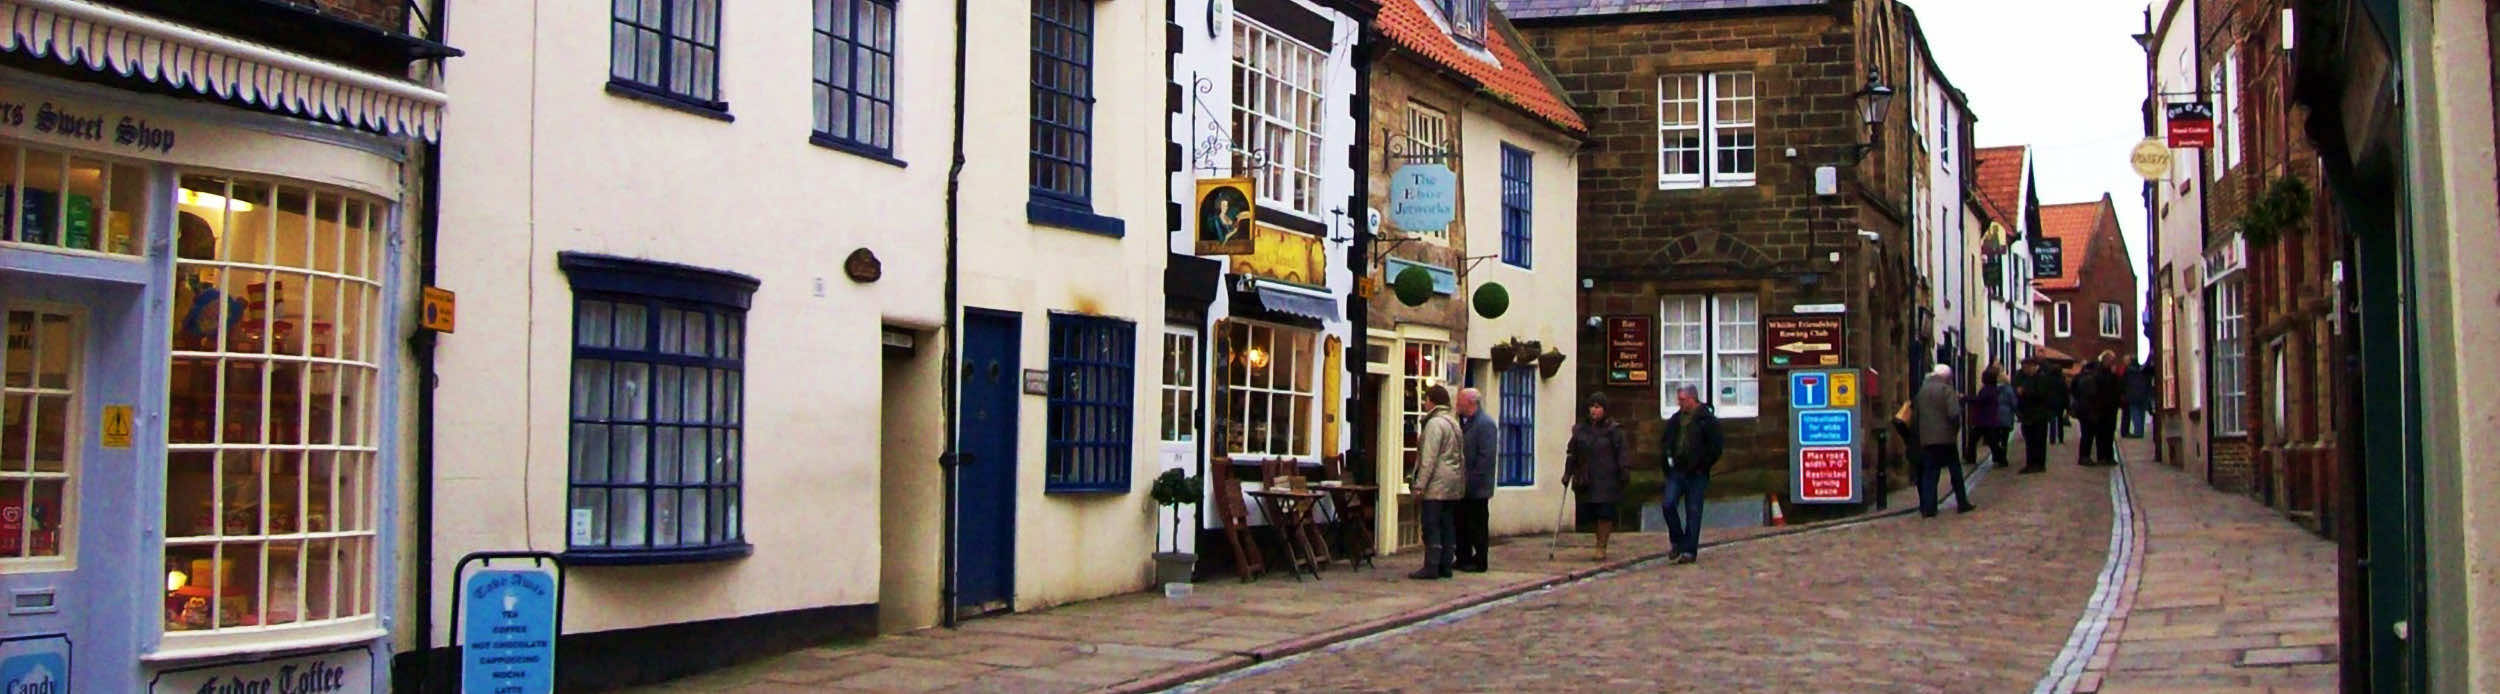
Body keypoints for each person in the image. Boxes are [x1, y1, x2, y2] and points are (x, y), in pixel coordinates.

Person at [1657, 384, 1723, 564]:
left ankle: (1689, 550)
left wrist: (1703, 464)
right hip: (1676, 471)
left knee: (1693, 511)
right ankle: (1677, 540)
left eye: (1682, 400)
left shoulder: (1706, 419)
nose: (1679, 403)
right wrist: (1667, 462)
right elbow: (1665, 442)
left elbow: (1716, 447)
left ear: (1692, 399)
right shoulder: (1675, 420)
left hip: (1697, 473)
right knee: (1668, 504)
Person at [1408, 385, 1466, 580]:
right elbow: (1460, 457)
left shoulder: (1434, 425)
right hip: (1452, 484)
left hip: (1437, 485)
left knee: (1431, 525)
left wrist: (1420, 486)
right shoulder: (1453, 423)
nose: (1424, 403)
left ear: (1433, 401)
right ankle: (1445, 565)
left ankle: (1431, 565)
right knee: (1447, 525)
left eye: (1426, 399)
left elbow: (1428, 459)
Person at [1564, 392, 1629, 561]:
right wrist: (1567, 473)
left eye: (1598, 407)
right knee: (1590, 512)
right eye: (1592, 406)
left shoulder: (1613, 430)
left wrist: (1623, 471)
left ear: (1604, 410)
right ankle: (1598, 540)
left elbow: (1621, 452)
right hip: (1587, 477)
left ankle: (1601, 545)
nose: (1594, 410)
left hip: (1607, 477)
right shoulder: (1580, 430)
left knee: (1605, 512)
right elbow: (1572, 453)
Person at [1911, 364, 1977, 516]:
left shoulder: (1922, 391)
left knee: (1930, 474)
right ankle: (1962, 502)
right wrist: (1954, 431)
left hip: (1927, 440)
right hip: (1946, 439)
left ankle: (1929, 508)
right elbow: (1954, 414)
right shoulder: (1946, 390)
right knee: (1955, 472)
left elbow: (1916, 416)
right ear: (1946, 377)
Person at [1455, 388, 1498, 573]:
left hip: (1477, 487)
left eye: (1460, 401)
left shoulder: (1485, 424)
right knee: (1462, 523)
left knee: (1477, 525)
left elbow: (1485, 457)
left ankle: (1480, 560)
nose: (1457, 404)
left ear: (1471, 403)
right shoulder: (1465, 423)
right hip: (1464, 485)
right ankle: (1463, 557)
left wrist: (1472, 482)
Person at [2074, 352, 2125, 466]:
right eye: (2111, 361)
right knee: (2094, 434)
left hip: (2103, 409)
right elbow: (2105, 391)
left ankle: (2102, 457)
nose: (2113, 364)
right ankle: (2092, 457)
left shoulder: (2093, 375)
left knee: (2101, 434)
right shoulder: (2099, 375)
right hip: (2097, 409)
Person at [2014, 359, 2065, 473]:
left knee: (2038, 440)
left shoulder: (2042, 378)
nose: (2024, 370)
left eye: (2026, 367)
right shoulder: (2027, 378)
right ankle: (2031, 463)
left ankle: (2038, 464)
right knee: (2030, 440)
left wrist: (2024, 392)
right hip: (2029, 415)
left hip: (2038, 415)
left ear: (2033, 366)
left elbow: (2041, 395)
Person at [1962, 367, 2015, 468]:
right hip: (1987, 419)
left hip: (1985, 419)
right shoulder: (1991, 389)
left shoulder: (1988, 389)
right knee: (1988, 441)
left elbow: (1980, 400)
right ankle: (2000, 459)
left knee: (1986, 441)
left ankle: (2000, 459)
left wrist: (1965, 397)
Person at [2122, 358, 2154, 438]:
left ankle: (2138, 432)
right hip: (2143, 395)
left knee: (2135, 414)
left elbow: (2124, 383)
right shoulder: (2144, 371)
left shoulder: (2128, 372)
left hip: (2132, 395)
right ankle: (2140, 431)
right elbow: (2148, 382)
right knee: (2141, 413)